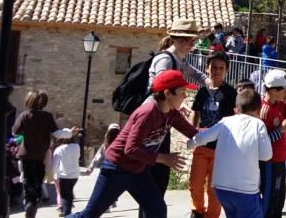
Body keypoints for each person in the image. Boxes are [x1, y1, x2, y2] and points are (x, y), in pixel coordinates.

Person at [70, 70, 198, 218]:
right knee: (90, 215)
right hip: (116, 169)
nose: (185, 96)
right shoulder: (148, 113)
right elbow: (130, 149)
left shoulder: (172, 114)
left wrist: (221, 129)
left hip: (139, 171)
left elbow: (193, 133)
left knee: (157, 210)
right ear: (168, 93)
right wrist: (163, 158)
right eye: (182, 91)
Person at [186, 89, 272, 218]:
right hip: (246, 190)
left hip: (221, 189)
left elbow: (203, 137)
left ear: (236, 108)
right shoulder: (258, 124)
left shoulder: (225, 121)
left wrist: (190, 143)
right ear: (259, 110)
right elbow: (266, 155)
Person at [147, 20, 206, 202]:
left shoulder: (179, 60)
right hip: (152, 122)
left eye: (193, 41)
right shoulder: (165, 60)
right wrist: (180, 105)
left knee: (158, 183)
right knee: (153, 183)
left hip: (163, 121)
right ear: (177, 40)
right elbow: (158, 88)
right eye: (190, 41)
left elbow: (196, 74)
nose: (192, 45)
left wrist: (211, 83)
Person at [12, 90, 77, 218]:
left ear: (28, 101)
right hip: (40, 156)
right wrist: (69, 133)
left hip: (25, 156)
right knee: (38, 181)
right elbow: (57, 134)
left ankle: (29, 203)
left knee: (26, 180)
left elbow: (15, 132)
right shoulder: (47, 116)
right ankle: (34, 202)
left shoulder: (25, 115)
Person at [189, 52, 238, 218]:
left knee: (214, 189)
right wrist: (191, 133)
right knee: (195, 184)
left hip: (221, 149)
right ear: (207, 68)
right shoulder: (202, 92)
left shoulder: (231, 93)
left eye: (221, 68)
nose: (217, 71)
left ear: (226, 70)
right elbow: (195, 113)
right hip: (201, 146)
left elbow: (237, 119)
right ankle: (198, 211)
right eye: (214, 67)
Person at [259, 69, 286, 218]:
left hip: (280, 160)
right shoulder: (264, 111)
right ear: (273, 91)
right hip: (269, 162)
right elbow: (262, 140)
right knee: (269, 199)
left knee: (279, 199)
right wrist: (281, 130)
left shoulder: (277, 104)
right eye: (283, 89)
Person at [52, 134, 82, 216]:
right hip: (75, 175)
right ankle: (67, 211)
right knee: (69, 192)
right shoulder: (77, 147)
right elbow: (78, 157)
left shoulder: (59, 149)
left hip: (64, 175)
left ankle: (67, 213)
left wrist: (54, 175)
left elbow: (54, 164)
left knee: (65, 195)